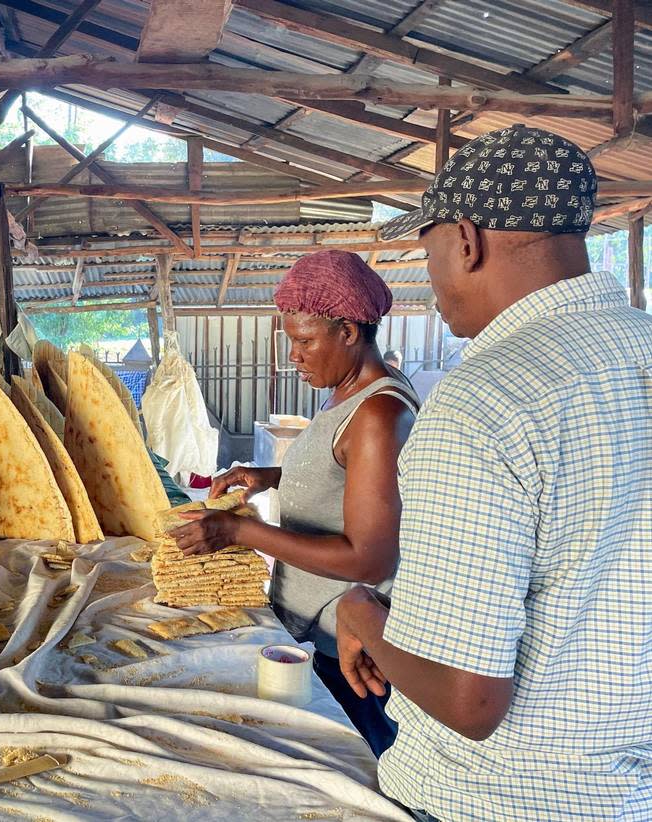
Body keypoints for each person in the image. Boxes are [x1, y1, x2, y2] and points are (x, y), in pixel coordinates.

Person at [335, 125, 652, 821]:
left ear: (467, 241)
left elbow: (467, 698)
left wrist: (359, 611)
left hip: (497, 800)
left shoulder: (488, 400)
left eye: (430, 251)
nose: (432, 279)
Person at [170, 249, 418, 757]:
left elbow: (369, 559)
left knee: (362, 769)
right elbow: (347, 476)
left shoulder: (378, 414)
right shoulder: (349, 396)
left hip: (346, 645)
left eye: (305, 341)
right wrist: (269, 475)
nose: (295, 356)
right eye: (291, 341)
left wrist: (238, 532)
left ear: (349, 332)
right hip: (315, 628)